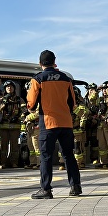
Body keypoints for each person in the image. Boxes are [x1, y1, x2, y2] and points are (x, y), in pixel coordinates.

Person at [27, 50, 81, 199]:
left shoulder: (37, 79)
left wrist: (32, 108)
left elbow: (31, 104)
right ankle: (75, 186)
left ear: (40, 63)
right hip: (65, 122)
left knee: (46, 156)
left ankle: (46, 189)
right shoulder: (65, 78)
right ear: (54, 61)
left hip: (48, 122)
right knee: (69, 155)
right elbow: (72, 102)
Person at [0, 80, 26, 168]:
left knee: (14, 146)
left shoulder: (19, 99)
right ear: (5, 89)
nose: (9, 88)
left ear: (14, 88)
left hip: (15, 126)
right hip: (4, 126)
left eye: (11, 86)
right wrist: (4, 101)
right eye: (7, 87)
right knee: (4, 146)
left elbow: (24, 111)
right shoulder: (2, 99)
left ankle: (14, 162)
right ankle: (3, 163)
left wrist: (18, 117)